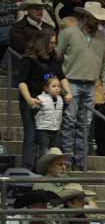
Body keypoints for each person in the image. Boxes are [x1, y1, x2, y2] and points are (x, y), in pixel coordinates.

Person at [56, 1, 105, 170]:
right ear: (86, 17)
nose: (97, 22)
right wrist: (59, 79)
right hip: (71, 81)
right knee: (70, 121)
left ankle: (80, 161)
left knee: (85, 124)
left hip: (91, 83)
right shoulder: (69, 33)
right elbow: (58, 55)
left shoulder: (102, 36)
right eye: (94, 18)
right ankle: (67, 159)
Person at [17, 31, 71, 171]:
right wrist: (29, 99)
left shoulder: (54, 58)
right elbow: (22, 82)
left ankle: (47, 168)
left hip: (50, 102)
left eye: (55, 43)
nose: (54, 45)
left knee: (50, 137)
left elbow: (62, 77)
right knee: (31, 134)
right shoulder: (29, 59)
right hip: (33, 100)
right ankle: (27, 168)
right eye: (51, 43)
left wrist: (68, 92)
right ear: (43, 43)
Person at [34, 76, 63, 158]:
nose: (57, 88)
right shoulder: (41, 98)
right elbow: (34, 109)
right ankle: (42, 168)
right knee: (44, 150)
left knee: (54, 150)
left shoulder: (60, 99)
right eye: (54, 86)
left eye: (58, 86)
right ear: (47, 88)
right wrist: (36, 105)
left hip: (56, 129)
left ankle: (52, 167)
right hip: (43, 129)